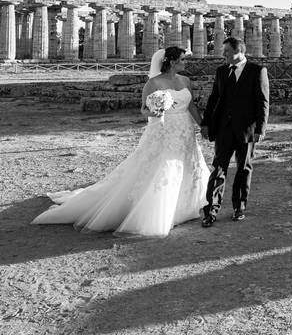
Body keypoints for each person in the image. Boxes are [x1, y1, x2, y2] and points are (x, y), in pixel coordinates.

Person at [32, 47, 210, 237]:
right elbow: (144, 109)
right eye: (183, 59)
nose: (186, 63)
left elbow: (190, 105)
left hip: (186, 130)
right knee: (165, 168)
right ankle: (159, 211)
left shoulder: (186, 81)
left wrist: (203, 125)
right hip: (164, 131)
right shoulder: (154, 83)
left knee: (186, 165)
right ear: (172, 61)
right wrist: (156, 111)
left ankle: (184, 207)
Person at [200, 37, 269, 227]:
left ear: (239, 51)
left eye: (227, 51)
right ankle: (211, 210)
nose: (224, 55)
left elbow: (263, 102)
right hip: (223, 129)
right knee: (218, 169)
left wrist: (261, 129)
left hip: (247, 129)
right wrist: (206, 124)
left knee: (243, 169)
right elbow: (214, 99)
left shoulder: (257, 71)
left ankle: (239, 207)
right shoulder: (221, 71)